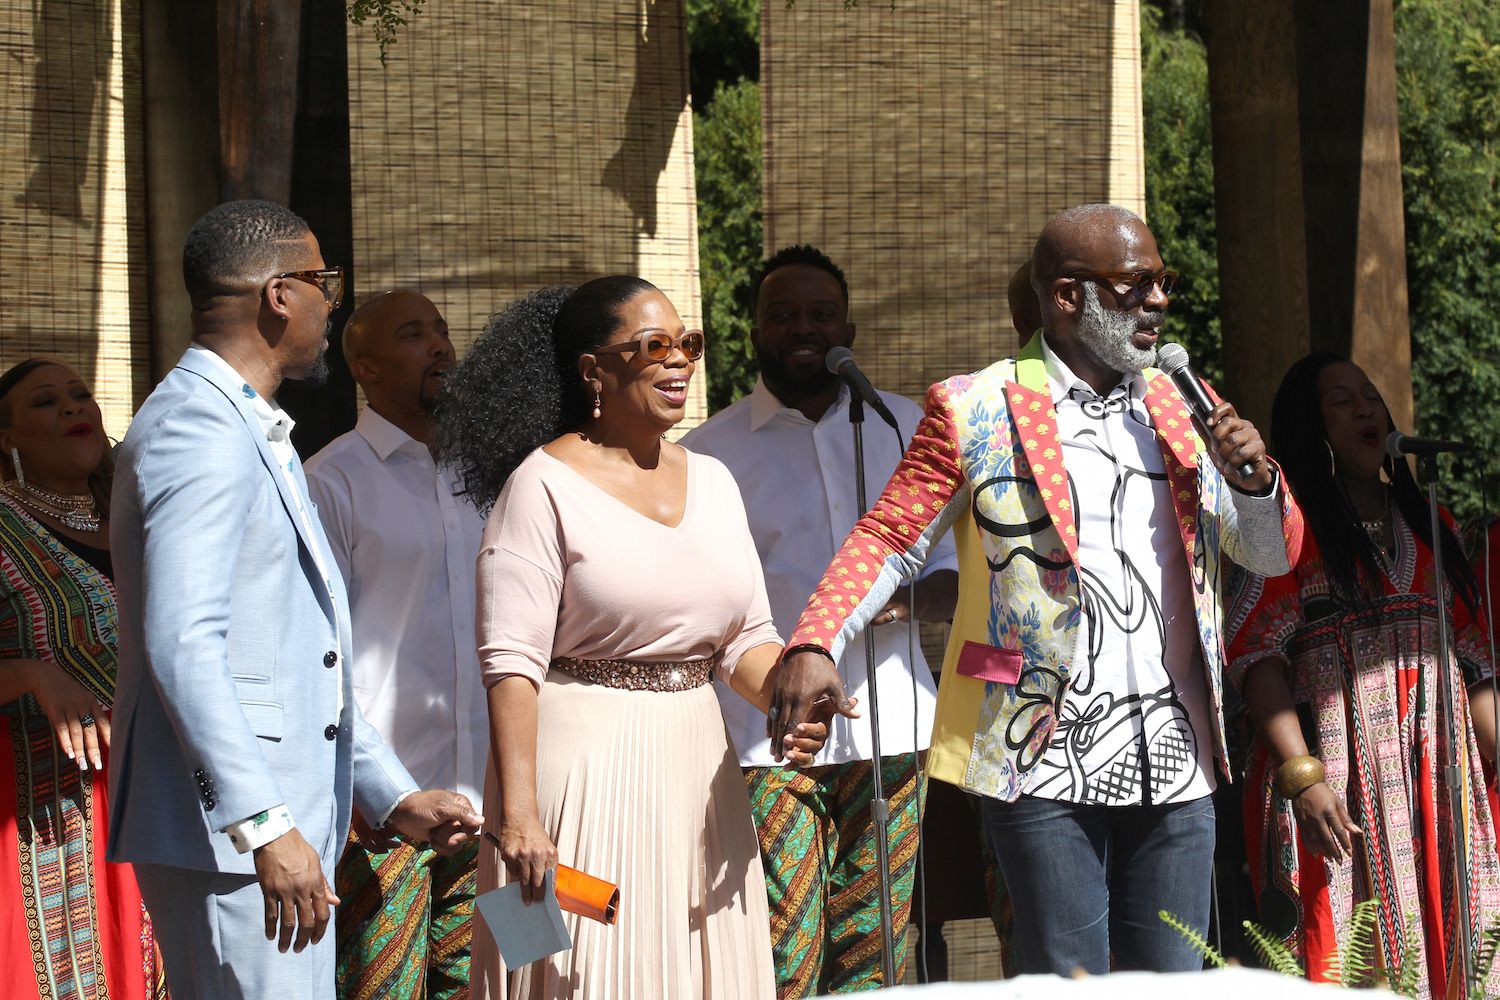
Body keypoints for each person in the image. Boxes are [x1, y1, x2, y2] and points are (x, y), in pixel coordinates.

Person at [772, 203, 1303, 976]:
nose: (1157, 300)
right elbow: (890, 535)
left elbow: (1268, 553)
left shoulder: (1183, 404)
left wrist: (1255, 484)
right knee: (1068, 980)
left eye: (1164, 282)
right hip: (1040, 754)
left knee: (1174, 986)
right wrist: (817, 639)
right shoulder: (974, 405)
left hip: (1180, 750)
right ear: (1065, 297)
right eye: (1135, 284)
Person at [107, 199, 483, 998]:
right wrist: (264, 822)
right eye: (326, 284)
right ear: (280, 294)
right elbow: (182, 641)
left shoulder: (249, 422)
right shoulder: (198, 428)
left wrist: (393, 792)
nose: (328, 304)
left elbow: (305, 655)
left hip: (278, 829)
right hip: (233, 841)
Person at [441, 280, 845, 1000]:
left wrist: (786, 692)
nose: (680, 361)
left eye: (688, 344)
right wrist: (520, 816)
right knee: (564, 977)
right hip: (575, 779)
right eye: (654, 346)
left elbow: (743, 638)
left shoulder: (716, 481)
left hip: (698, 773)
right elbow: (510, 666)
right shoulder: (539, 487)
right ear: (594, 371)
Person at [681, 244, 959, 994]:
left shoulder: (909, 429)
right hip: (770, 739)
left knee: (880, 945)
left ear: (850, 329)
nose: (802, 328)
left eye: (819, 314)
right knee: (785, 944)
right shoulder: (707, 454)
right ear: (753, 333)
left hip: (895, 728)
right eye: (782, 315)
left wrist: (892, 602)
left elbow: (957, 583)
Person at [1228, 353, 1500, 998]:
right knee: (1343, 955)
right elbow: (1258, 658)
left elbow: (1476, 665)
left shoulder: (1436, 526)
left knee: (1462, 946)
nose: (1366, 410)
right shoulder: (1286, 529)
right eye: (1342, 401)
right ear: (1309, 426)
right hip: (1334, 786)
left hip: (1438, 784)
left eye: (1371, 397)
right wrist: (1303, 777)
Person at [305, 290, 485, 999]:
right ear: (366, 368)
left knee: (508, 978)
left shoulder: (492, 474)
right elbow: (319, 654)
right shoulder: (330, 481)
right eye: (415, 335)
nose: (440, 345)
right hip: (385, 819)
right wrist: (383, 792)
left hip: (496, 811)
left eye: (442, 330)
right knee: (385, 990)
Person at [0, 358, 168, 999]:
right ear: (7, 438)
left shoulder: (145, 516)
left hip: (171, 795)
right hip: (51, 814)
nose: (74, 408)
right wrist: (33, 675)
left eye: (80, 395)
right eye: (47, 403)